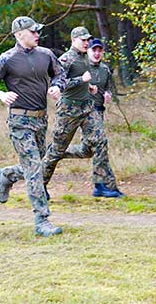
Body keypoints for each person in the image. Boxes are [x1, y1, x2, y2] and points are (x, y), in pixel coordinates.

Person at [0, 16, 66, 237]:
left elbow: (60, 74)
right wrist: (0, 94)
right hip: (19, 121)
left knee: (35, 166)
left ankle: (8, 174)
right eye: (33, 31)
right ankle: (42, 220)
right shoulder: (6, 59)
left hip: (41, 119)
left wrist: (57, 87)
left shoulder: (46, 55)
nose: (38, 35)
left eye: (38, 31)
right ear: (20, 35)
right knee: (35, 169)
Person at [42, 27, 124, 198]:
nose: (86, 43)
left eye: (88, 40)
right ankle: (39, 186)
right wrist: (82, 80)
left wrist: (90, 87)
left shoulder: (85, 58)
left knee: (100, 141)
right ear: (74, 40)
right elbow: (57, 83)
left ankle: (101, 185)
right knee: (57, 151)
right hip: (68, 110)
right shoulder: (66, 59)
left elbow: (85, 80)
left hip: (87, 107)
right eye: (83, 40)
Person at [63, 38, 124, 196]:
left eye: (100, 50)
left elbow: (108, 88)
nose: (97, 53)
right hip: (82, 113)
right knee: (100, 145)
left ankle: (59, 151)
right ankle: (103, 186)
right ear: (87, 51)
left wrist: (108, 94)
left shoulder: (105, 69)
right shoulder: (82, 66)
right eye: (93, 50)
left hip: (98, 112)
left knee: (88, 150)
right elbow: (65, 83)